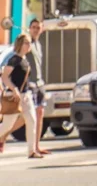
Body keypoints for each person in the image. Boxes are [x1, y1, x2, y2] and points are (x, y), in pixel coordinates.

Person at [0, 34, 40, 158]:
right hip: (14, 96)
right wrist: (14, 89)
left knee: (32, 120)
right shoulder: (14, 59)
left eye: (29, 43)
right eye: (26, 43)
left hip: (26, 95)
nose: (29, 45)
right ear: (20, 44)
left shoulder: (25, 59)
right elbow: (5, 77)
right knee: (7, 125)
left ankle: (31, 151)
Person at [25, 19, 49, 156]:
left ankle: (37, 146)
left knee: (40, 113)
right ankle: (2, 137)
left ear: (41, 29)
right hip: (31, 84)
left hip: (40, 83)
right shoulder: (27, 43)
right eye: (33, 27)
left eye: (37, 27)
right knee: (29, 116)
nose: (35, 30)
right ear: (29, 28)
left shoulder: (39, 45)